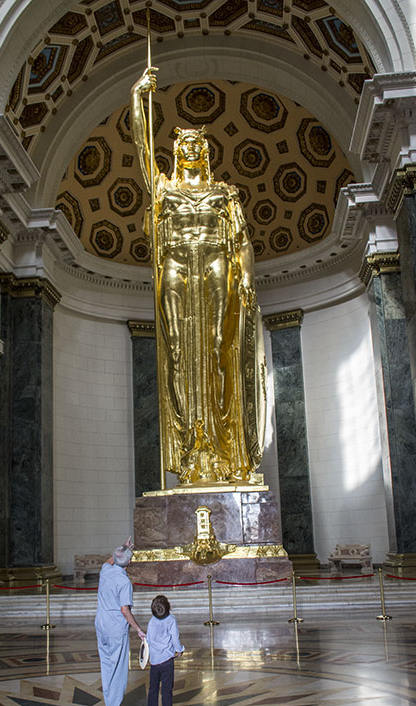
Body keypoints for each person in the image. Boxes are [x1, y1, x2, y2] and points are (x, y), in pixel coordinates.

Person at [131, 68, 266, 486]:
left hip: (215, 262)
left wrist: (246, 278)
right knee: (176, 353)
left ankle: (224, 448)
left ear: (205, 150)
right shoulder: (163, 190)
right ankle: (191, 447)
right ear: (176, 151)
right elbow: (139, 145)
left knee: (215, 349)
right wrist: (138, 98)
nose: (189, 146)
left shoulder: (225, 194)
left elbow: (242, 241)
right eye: (183, 142)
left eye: (196, 142)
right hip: (175, 266)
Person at [94, 536, 145, 706]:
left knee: (107, 666)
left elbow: (111, 559)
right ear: (129, 562)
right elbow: (125, 610)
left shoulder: (105, 570)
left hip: (101, 624)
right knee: (118, 669)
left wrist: (123, 547)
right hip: (115, 628)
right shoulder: (124, 582)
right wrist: (138, 629)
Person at [143, 594, 185, 706]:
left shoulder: (151, 621)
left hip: (154, 661)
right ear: (169, 607)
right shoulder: (171, 620)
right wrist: (180, 650)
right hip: (167, 660)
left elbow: (148, 640)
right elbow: (175, 639)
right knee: (167, 691)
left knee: (153, 689)